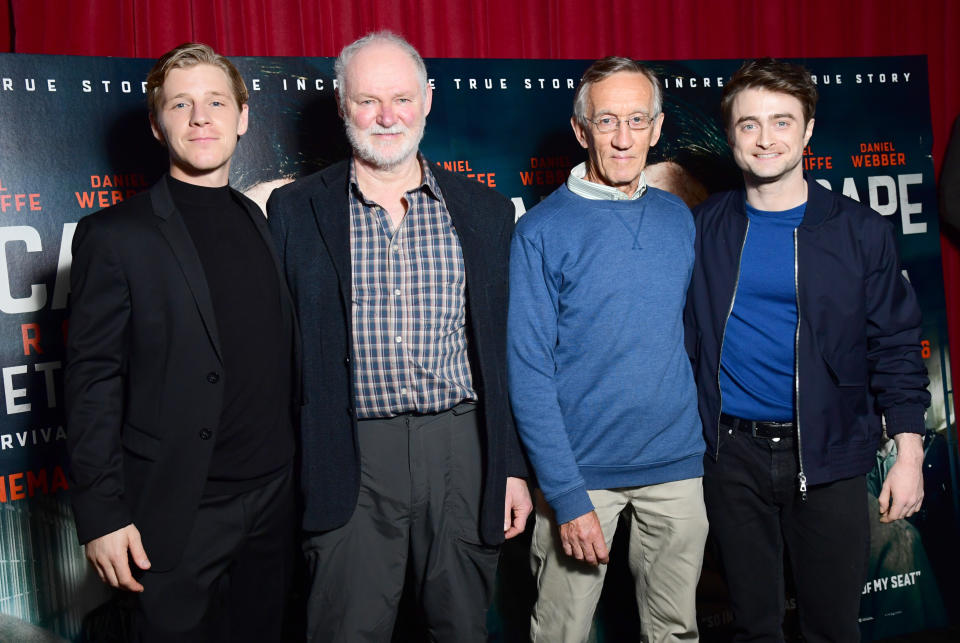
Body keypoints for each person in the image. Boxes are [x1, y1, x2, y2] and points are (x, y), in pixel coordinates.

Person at [266, 31, 531, 643]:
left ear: (429, 100)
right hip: (346, 449)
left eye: (402, 99)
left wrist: (511, 467)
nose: (387, 117)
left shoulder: (487, 212)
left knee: (461, 627)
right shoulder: (295, 209)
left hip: (461, 448)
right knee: (346, 629)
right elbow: (278, 354)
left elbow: (504, 352)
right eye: (367, 101)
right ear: (341, 106)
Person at [684, 57, 930, 641]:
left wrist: (910, 454)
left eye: (781, 121)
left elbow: (895, 346)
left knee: (832, 628)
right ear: (730, 134)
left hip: (831, 456)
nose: (765, 139)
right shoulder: (700, 227)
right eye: (749, 124)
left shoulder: (860, 231)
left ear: (808, 130)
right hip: (729, 456)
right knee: (753, 627)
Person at [65, 43, 299, 642]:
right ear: (156, 122)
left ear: (243, 117)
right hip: (175, 513)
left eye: (217, 101)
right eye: (181, 104)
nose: (201, 117)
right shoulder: (114, 236)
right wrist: (102, 516)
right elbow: (91, 383)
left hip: (274, 502)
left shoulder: (264, 221)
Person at [507, 56, 708, 643]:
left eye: (637, 120)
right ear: (581, 130)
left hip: (675, 468)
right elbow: (528, 370)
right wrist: (566, 495)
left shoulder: (679, 218)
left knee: (676, 632)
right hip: (581, 474)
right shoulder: (541, 232)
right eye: (607, 121)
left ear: (658, 126)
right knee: (562, 633)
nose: (623, 138)